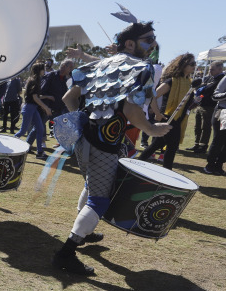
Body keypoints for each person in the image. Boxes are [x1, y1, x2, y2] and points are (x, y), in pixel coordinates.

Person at [54, 21, 171, 275]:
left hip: (83, 140)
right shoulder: (142, 68)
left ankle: (84, 233)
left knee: (90, 186)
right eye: (148, 39)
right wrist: (152, 130)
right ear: (130, 43)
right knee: (99, 199)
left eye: (153, 40)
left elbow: (68, 99)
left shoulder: (97, 65)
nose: (153, 45)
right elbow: (131, 109)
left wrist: (84, 124)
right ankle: (66, 252)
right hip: (105, 143)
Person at [137, 53, 196, 170]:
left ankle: (137, 164)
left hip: (178, 119)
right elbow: (153, 95)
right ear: (183, 65)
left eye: (195, 64)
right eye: (192, 64)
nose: (194, 66)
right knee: (172, 147)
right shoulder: (171, 81)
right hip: (168, 118)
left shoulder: (189, 82)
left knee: (157, 144)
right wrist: (157, 113)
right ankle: (167, 172)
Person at [14, 62, 51, 159]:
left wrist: (47, 96)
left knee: (40, 128)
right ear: (39, 70)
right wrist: (46, 107)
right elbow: (35, 98)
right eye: (43, 69)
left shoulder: (36, 80)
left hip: (33, 108)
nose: (45, 71)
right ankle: (9, 144)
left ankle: (39, 152)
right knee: (23, 131)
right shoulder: (34, 81)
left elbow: (36, 96)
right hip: (29, 108)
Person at [188, 61, 225, 153]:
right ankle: (196, 143)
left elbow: (209, 89)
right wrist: (204, 86)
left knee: (206, 126)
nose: (210, 71)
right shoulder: (210, 78)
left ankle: (203, 145)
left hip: (210, 106)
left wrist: (204, 86)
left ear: (220, 69)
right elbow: (200, 87)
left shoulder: (222, 79)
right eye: (209, 69)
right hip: (201, 104)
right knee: (197, 126)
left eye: (212, 69)